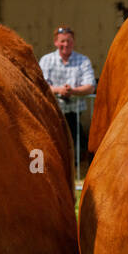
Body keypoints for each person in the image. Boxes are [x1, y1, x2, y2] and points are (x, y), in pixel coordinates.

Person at [38, 25, 96, 159]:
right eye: (62, 41)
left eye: (69, 40)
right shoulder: (46, 60)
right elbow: (41, 85)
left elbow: (90, 87)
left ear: (73, 41)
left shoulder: (83, 60)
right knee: (53, 144)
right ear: (56, 42)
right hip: (52, 111)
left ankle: (75, 171)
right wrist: (59, 90)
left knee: (78, 144)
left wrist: (72, 91)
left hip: (74, 113)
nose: (66, 44)